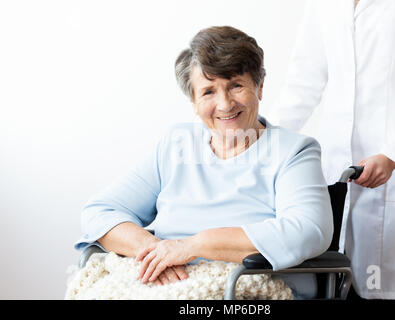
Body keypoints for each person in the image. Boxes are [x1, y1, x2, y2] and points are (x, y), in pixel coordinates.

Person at [74, 26, 333, 298]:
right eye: (208, 92)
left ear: (259, 86)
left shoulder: (294, 152)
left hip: (249, 287)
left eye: (236, 85)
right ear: (194, 100)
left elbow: (308, 230)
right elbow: (99, 212)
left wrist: (193, 246)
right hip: (167, 285)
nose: (224, 104)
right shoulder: (176, 145)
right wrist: (153, 251)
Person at [275, 0, 395, 299]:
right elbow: (303, 81)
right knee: (341, 284)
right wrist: (264, 143)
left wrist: (394, 155)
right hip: (339, 173)